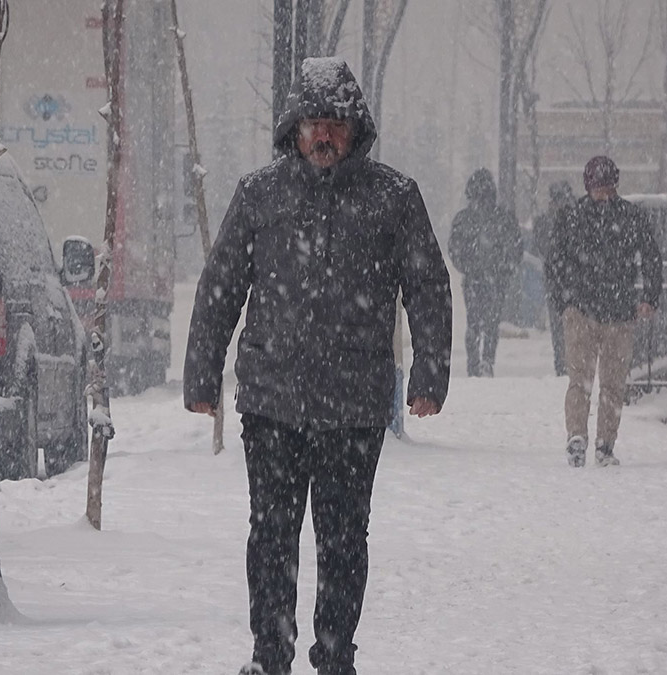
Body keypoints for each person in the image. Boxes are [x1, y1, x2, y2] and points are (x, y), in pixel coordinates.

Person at [182, 57, 452, 675]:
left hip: (353, 406)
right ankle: (269, 655)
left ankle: (335, 656)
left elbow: (427, 285)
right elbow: (221, 284)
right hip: (272, 401)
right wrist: (203, 374)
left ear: (355, 129)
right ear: (293, 130)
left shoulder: (393, 197)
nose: (323, 136)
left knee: (342, 542)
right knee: (271, 539)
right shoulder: (259, 194)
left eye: (334, 124)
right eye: (312, 125)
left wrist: (430, 375)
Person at [546, 156, 662, 468]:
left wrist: (563, 299)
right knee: (590, 381)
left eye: (606, 186)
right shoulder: (625, 218)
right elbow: (555, 261)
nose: (603, 193)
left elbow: (556, 261)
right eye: (600, 187)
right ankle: (583, 438)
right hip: (599, 309)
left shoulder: (575, 217)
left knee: (603, 382)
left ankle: (599, 442)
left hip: (606, 310)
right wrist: (564, 302)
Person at [448, 168, 522, 377]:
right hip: (492, 278)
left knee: (475, 322)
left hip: (476, 278)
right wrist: (504, 269)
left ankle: (475, 363)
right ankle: (486, 361)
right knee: (491, 322)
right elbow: (515, 247)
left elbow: (455, 249)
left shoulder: (465, 219)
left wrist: (468, 266)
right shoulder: (502, 218)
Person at [532, 181, 577, 376]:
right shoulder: (577, 219)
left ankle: (564, 363)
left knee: (562, 326)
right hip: (569, 281)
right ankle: (566, 363)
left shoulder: (545, 221)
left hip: (559, 280)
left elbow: (541, 247)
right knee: (569, 326)